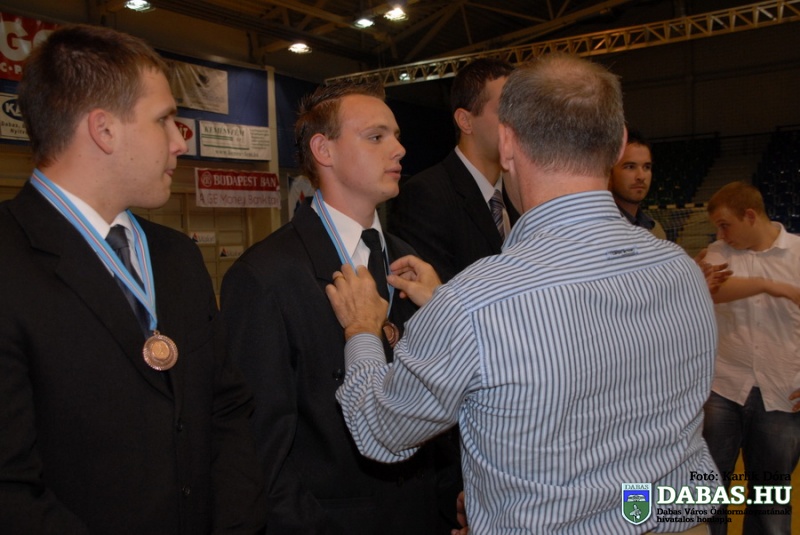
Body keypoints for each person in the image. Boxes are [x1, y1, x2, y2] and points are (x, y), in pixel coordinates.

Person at [326, 54, 720, 534]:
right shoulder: (681, 270)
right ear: (619, 144)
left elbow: (380, 430)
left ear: (507, 144)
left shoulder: (475, 304)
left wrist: (362, 330)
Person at [0, 24, 266, 533]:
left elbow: (227, 409)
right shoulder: (10, 259)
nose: (180, 142)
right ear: (104, 130)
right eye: (164, 120)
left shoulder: (176, 256)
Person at [219, 79, 440, 534]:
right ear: (324, 150)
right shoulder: (266, 275)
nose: (399, 149)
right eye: (376, 137)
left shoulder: (410, 262)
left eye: (397, 135)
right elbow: (262, 450)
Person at [700, 181, 800, 535]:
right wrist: (773, 286)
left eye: (725, 225)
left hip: (783, 391)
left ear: (750, 215)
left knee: (770, 495)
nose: (721, 235)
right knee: (708, 485)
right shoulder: (719, 252)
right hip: (724, 387)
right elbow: (715, 290)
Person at [388, 57, 520, 283]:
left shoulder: (518, 194)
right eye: (506, 110)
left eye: (522, 110)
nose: (520, 121)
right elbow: (435, 295)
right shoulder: (425, 195)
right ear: (465, 121)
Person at [608, 128, 667, 239]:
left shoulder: (656, 230)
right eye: (630, 167)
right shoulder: (599, 230)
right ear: (608, 172)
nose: (641, 176)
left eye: (646, 167)